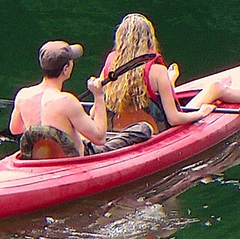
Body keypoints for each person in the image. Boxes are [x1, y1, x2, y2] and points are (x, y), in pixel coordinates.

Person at [101, 13, 240, 133]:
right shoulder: (156, 71)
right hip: (157, 131)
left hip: (119, 129)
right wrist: (201, 113)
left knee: (164, 89)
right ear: (149, 38)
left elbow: (131, 95)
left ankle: (170, 82)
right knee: (216, 87)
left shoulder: (111, 61)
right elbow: (173, 118)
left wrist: (168, 80)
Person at [9, 40, 152, 158]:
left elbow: (15, 129)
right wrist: (98, 96)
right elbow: (100, 138)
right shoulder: (67, 101)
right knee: (143, 129)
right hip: (75, 159)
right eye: (71, 62)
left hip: (39, 159)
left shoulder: (23, 95)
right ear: (65, 69)